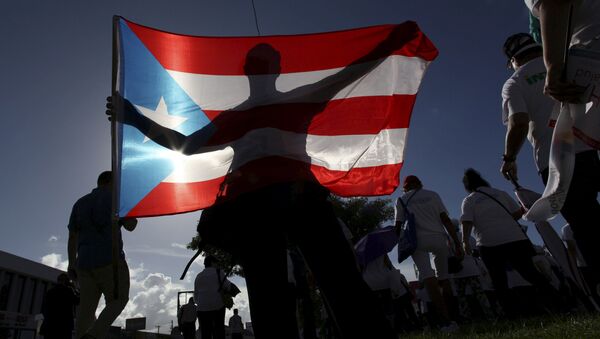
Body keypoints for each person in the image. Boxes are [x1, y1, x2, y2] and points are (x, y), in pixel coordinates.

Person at [109, 25, 412, 339]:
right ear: (271, 69)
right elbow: (185, 145)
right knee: (306, 287)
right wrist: (134, 118)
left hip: (283, 199)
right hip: (265, 203)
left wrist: (388, 45)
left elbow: (347, 75)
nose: (262, 66)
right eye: (261, 60)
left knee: (326, 282)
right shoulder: (250, 112)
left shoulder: (282, 104)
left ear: (252, 71)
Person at [499, 32, 600, 279]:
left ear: (513, 59)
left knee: (584, 226)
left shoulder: (515, 82)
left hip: (555, 161)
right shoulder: (564, 64)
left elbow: (519, 123)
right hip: (588, 148)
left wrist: (509, 157)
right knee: (594, 215)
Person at [460, 168, 559, 318]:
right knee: (531, 274)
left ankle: (512, 314)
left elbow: (467, 221)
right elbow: (518, 212)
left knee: (499, 281)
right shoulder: (501, 193)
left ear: (467, 185)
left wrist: (465, 242)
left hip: (489, 243)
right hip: (516, 238)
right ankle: (559, 304)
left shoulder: (470, 199)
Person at [67, 171, 137, 339]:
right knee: (118, 300)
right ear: (111, 182)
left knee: (85, 311)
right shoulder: (117, 200)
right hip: (110, 261)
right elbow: (131, 225)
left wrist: (71, 263)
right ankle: (93, 336)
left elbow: (72, 237)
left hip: (83, 263)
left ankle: (83, 335)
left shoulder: (79, 203)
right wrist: (132, 206)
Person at [395, 175, 462, 332]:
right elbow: (445, 219)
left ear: (405, 187)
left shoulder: (401, 200)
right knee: (444, 279)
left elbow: (398, 225)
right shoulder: (433, 194)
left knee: (428, 278)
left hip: (417, 242)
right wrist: (457, 242)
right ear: (419, 184)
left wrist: (396, 242)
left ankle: (445, 322)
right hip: (439, 238)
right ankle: (455, 317)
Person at [194, 256, 232, 339]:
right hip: (217, 307)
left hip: (201, 308)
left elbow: (196, 296)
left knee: (205, 333)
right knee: (219, 332)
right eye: (216, 262)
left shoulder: (198, 276)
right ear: (212, 262)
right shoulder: (219, 272)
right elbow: (228, 287)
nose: (218, 264)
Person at [40, 273, 79, 339]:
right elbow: (77, 301)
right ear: (66, 281)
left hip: (49, 326)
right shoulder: (68, 291)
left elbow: (44, 309)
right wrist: (75, 289)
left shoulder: (50, 292)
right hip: (64, 327)